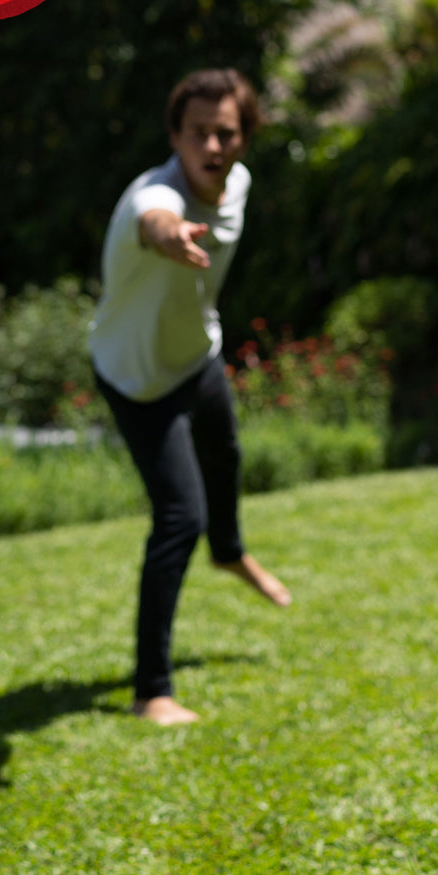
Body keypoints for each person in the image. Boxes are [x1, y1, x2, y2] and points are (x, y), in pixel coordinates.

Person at [89, 68, 290, 727]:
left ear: (245, 137)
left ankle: (230, 553)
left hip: (195, 354)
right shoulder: (149, 197)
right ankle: (153, 691)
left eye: (226, 133)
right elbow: (154, 220)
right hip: (138, 375)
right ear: (174, 136)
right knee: (180, 517)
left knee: (225, 455)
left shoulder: (241, 185)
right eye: (197, 133)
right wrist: (168, 236)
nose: (212, 146)